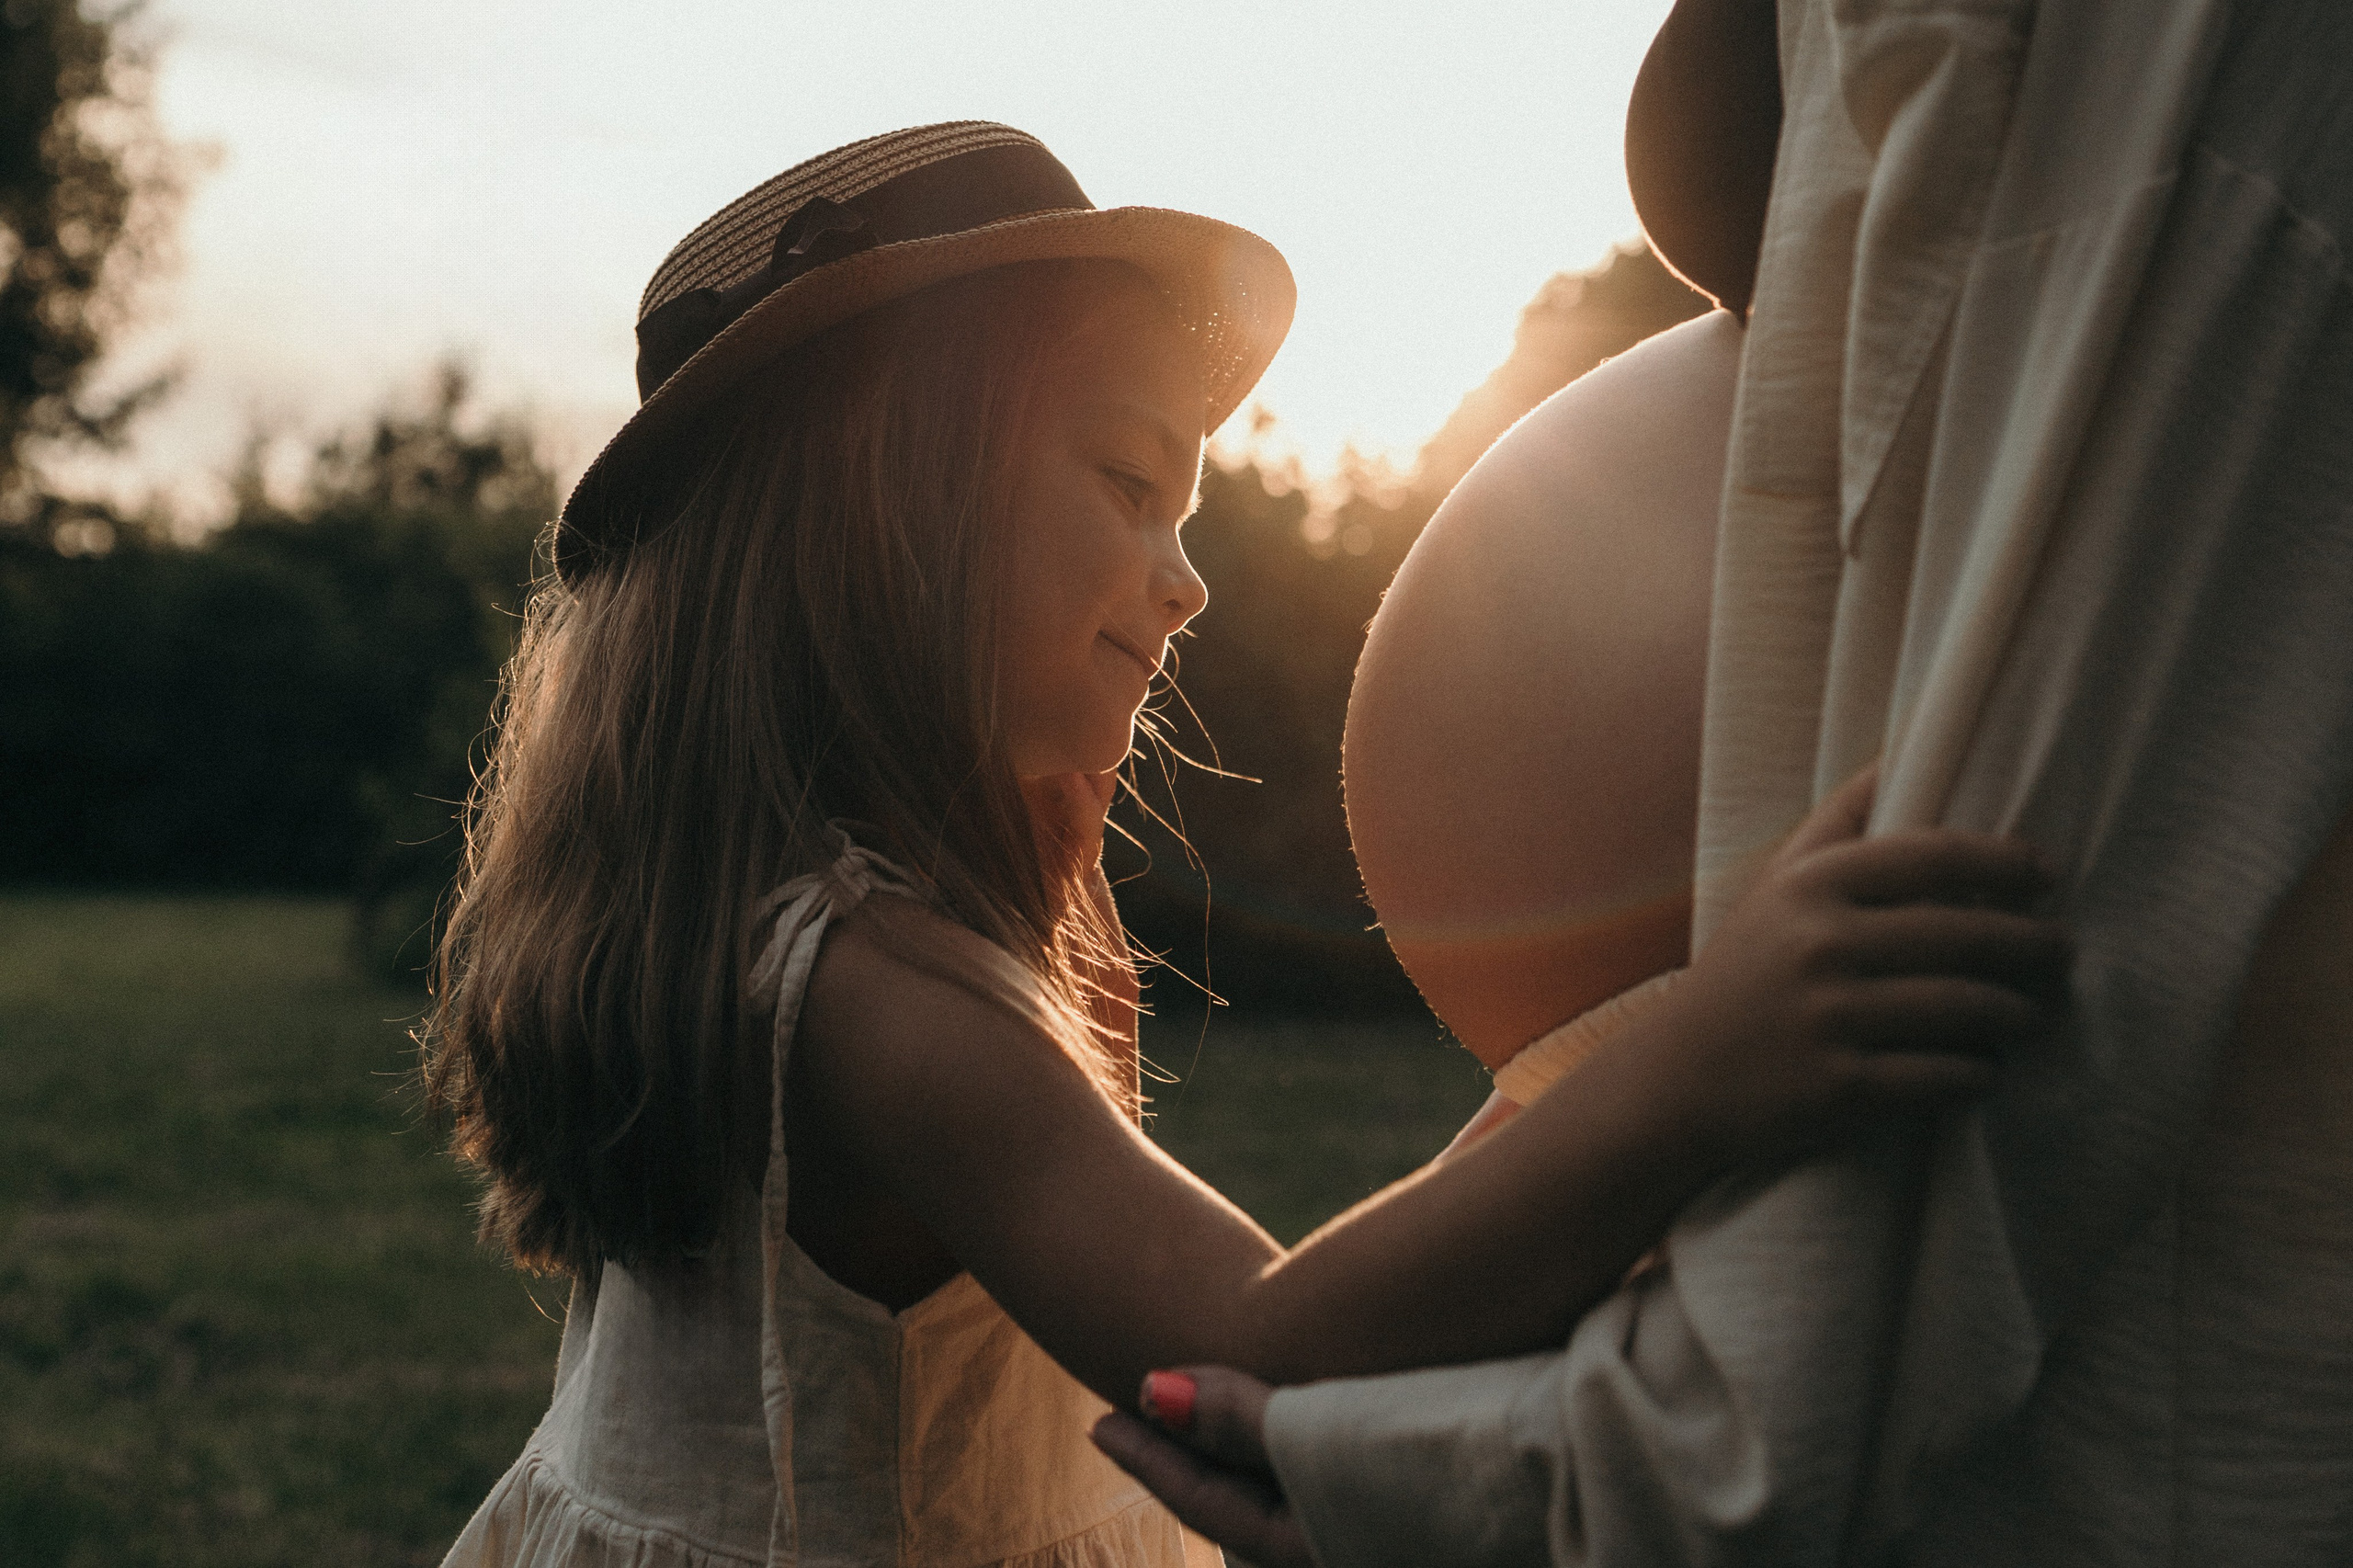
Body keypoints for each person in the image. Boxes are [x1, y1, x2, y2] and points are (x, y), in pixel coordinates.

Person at [418, 122, 2072, 1568]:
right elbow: (1252, 1343)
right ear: (890, 506)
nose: (1185, 577)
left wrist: (1555, 1111)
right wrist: (1713, 1062)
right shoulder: (876, 997)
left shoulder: (797, 931)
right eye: (1132, 483)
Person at [1097, 0, 2353, 1562]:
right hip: (1722, 1176)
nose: (1185, 586)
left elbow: (1993, 1065)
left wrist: (1432, 1495)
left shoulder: (2198, 93)